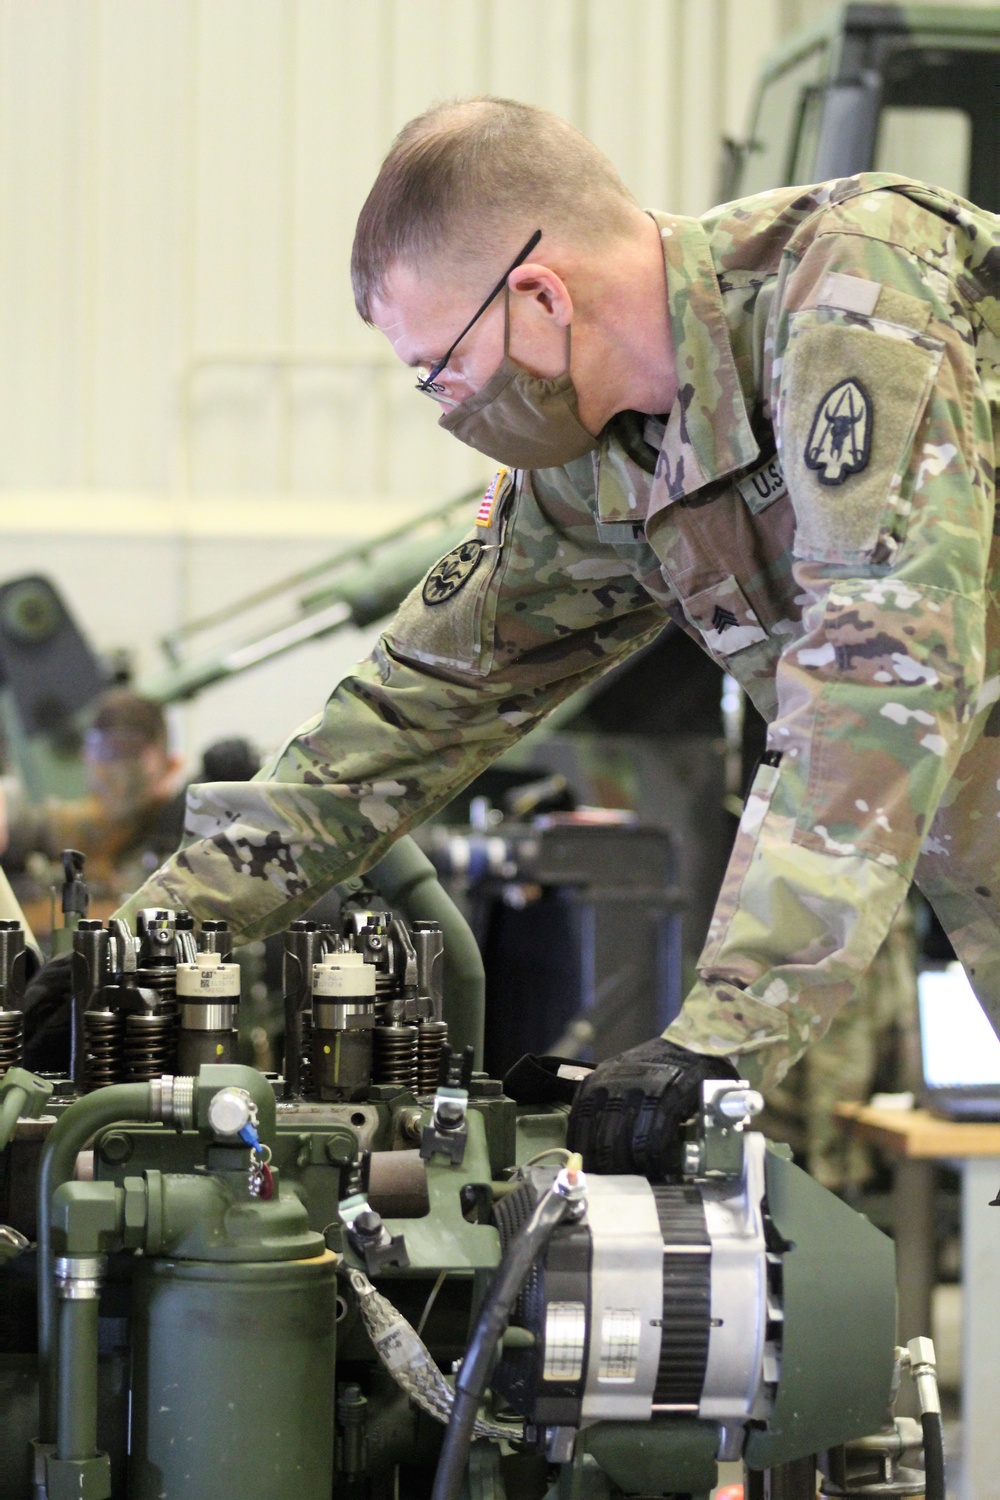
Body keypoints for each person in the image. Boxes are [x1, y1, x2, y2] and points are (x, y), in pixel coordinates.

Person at [29, 98, 1000, 1176]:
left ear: (538, 294)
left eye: (443, 369)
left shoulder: (852, 292)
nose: (450, 409)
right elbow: (414, 704)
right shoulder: (601, 466)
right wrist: (149, 941)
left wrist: (719, 1038)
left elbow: (876, 682)